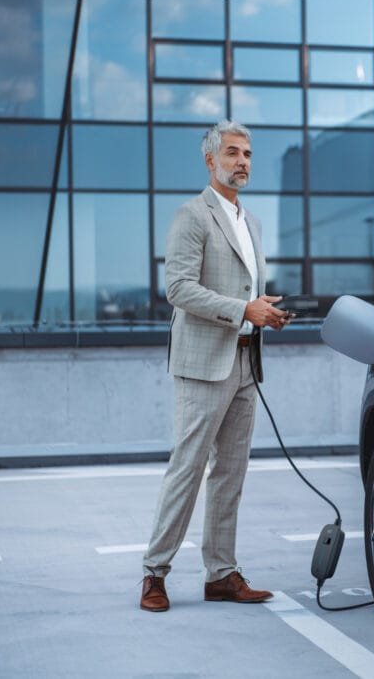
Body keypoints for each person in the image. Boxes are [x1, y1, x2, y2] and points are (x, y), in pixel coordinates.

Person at [140, 120, 290, 612]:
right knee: (187, 469)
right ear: (211, 160)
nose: (242, 161)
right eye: (232, 153)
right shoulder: (192, 215)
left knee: (231, 473)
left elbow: (243, 292)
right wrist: (243, 310)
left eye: (247, 153)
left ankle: (220, 573)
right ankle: (154, 573)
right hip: (204, 364)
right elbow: (178, 289)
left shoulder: (253, 223)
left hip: (246, 362)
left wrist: (263, 310)